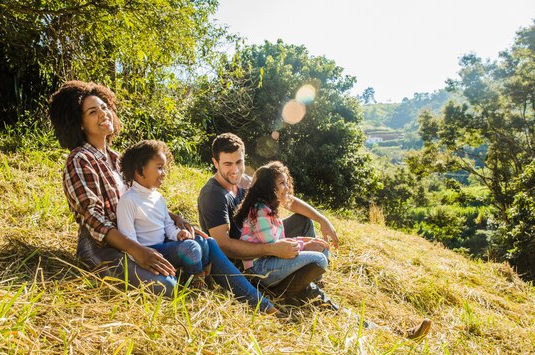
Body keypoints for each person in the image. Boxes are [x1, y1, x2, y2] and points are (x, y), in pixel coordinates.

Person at [48, 81, 279, 315]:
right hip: (101, 246)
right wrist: (137, 250)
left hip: (138, 234)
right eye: (92, 112)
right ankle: (188, 278)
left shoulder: (118, 159)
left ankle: (260, 303)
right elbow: (93, 217)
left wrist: (173, 217)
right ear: (79, 123)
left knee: (206, 242)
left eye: (104, 107)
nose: (103, 114)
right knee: (165, 287)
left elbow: (141, 198)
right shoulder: (80, 159)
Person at [198, 133, 431, 339]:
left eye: (239, 162)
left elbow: (287, 200)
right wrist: (273, 249)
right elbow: (224, 247)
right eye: (228, 164)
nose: (235, 169)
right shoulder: (213, 195)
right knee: (321, 300)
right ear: (215, 162)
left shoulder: (244, 181)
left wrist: (324, 220)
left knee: (303, 221)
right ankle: (388, 334)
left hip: (265, 242)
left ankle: (306, 279)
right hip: (253, 267)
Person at [116, 140, 211, 288]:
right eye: (159, 168)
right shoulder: (128, 200)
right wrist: (141, 257)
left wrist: (177, 234)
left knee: (201, 242)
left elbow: (167, 224)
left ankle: (201, 276)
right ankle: (194, 286)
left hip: (165, 246)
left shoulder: (158, 197)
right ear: (140, 169)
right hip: (149, 253)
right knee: (191, 248)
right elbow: (129, 239)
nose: (164, 173)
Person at [234, 161, 331, 289]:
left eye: (286, 182)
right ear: (269, 187)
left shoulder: (270, 208)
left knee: (321, 247)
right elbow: (275, 248)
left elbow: (280, 241)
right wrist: (305, 246)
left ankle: (312, 283)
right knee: (320, 259)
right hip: (260, 269)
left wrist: (304, 240)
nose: (286, 187)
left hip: (272, 259)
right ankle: (294, 289)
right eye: (281, 183)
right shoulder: (260, 212)